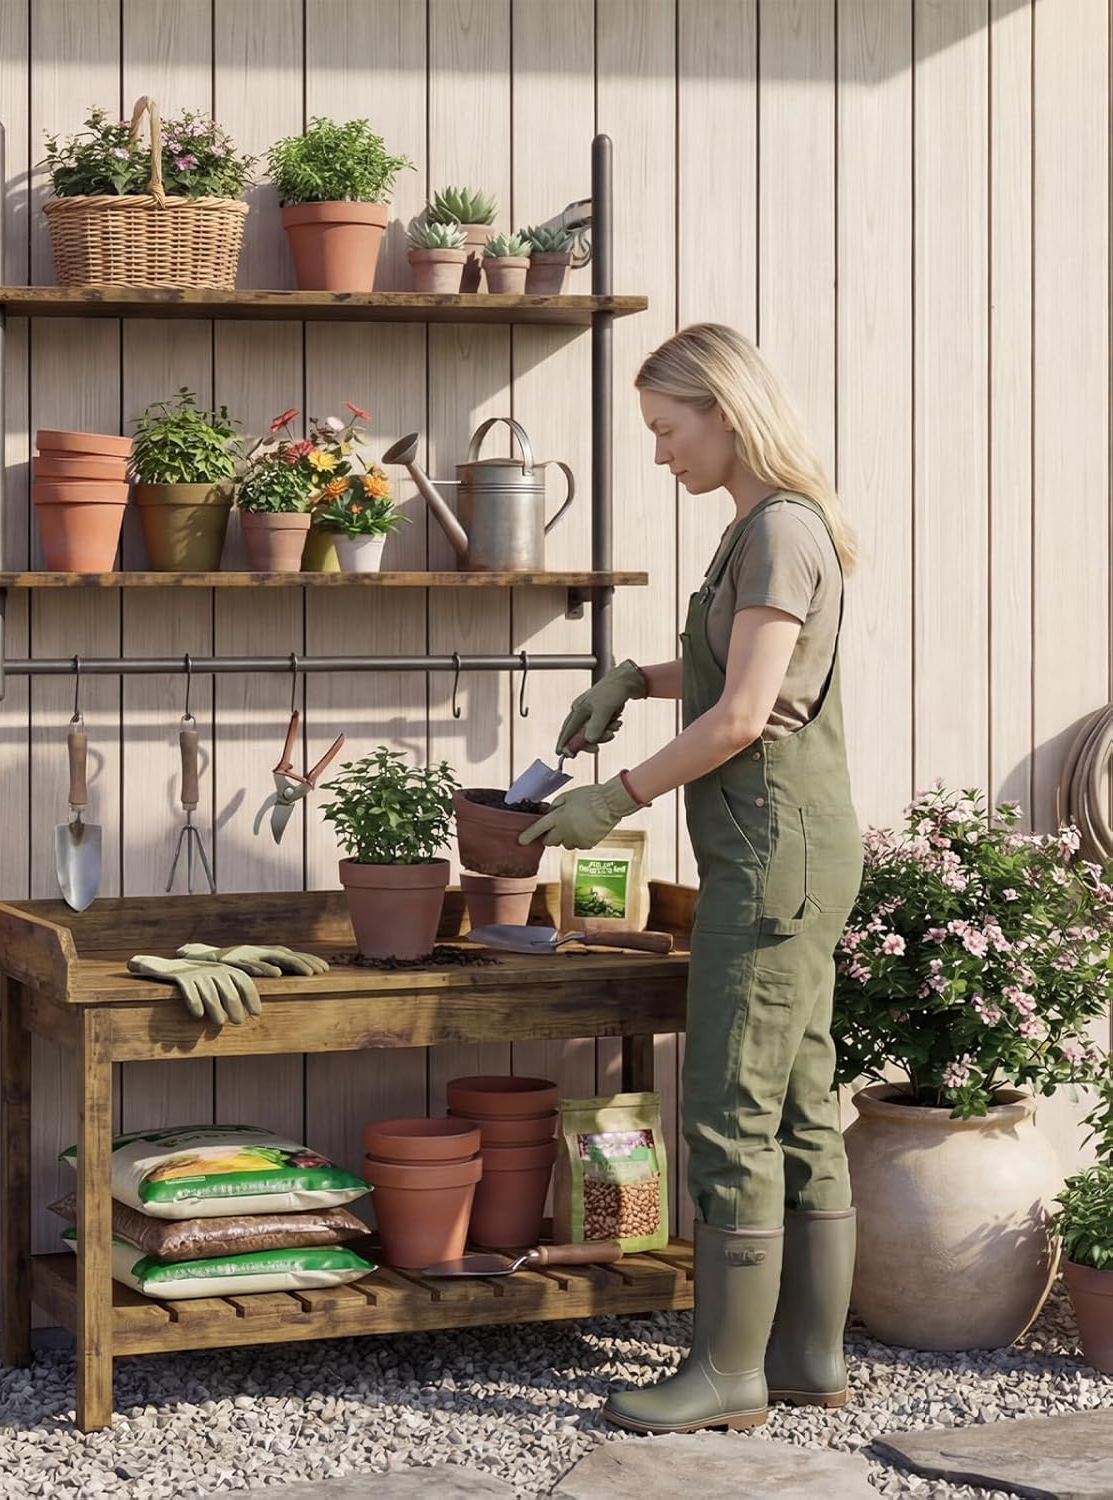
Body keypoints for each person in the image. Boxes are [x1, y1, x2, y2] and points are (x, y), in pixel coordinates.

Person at [520, 322, 865, 1435]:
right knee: (802, 1103)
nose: (662, 453)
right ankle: (808, 1359)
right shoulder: (764, 532)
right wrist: (635, 675)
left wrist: (613, 797)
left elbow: (746, 715)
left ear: (725, 409)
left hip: (770, 866)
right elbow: (732, 670)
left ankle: (728, 1375)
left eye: (669, 430)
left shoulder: (779, 535)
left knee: (727, 1112)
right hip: (794, 858)